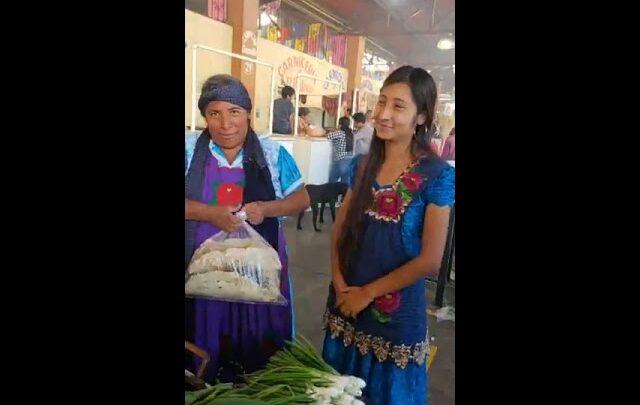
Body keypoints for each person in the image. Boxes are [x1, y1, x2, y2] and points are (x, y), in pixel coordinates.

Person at [322, 66, 455, 405]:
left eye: (398, 106)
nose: (382, 114)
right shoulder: (362, 166)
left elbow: (430, 260)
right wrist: (339, 284)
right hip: (345, 303)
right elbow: (340, 230)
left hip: (393, 319)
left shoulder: (436, 176)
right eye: (381, 102)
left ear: (421, 116)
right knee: (335, 393)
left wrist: (366, 294)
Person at [185, 74, 310, 383]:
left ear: (248, 114)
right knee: (204, 337)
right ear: (205, 117)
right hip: (201, 274)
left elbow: (301, 199)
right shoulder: (189, 152)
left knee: (259, 347)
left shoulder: (272, 154)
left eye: (234, 112)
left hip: (259, 273)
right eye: (215, 113)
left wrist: (267, 209)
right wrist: (210, 214)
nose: (225, 123)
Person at [327, 116, 354, 185]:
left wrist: (333, 130)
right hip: (349, 161)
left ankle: (331, 195)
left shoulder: (340, 133)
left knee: (331, 182)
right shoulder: (352, 133)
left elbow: (328, 136)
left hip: (340, 160)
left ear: (340, 125)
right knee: (345, 184)